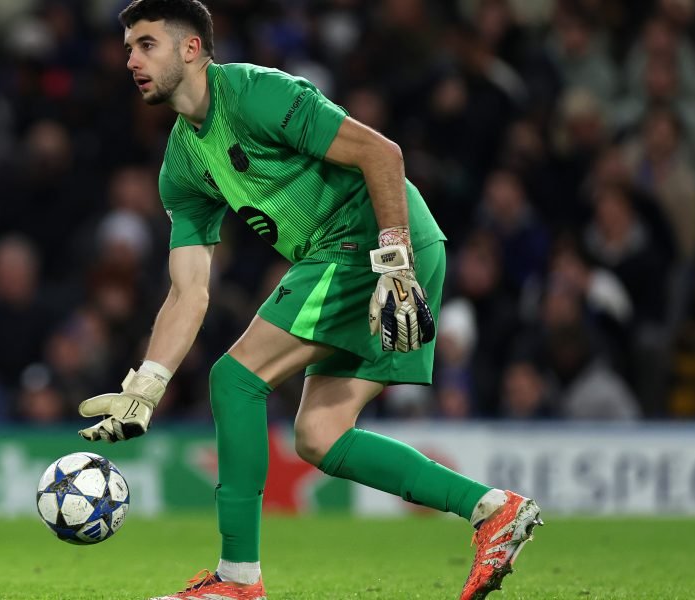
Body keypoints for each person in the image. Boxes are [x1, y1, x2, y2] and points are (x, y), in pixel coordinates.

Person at [77, 2, 543, 599]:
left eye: (146, 45)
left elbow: (382, 154)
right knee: (321, 434)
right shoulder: (182, 165)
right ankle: (494, 510)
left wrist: (394, 264)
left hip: (371, 241)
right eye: (127, 49)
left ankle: (237, 581)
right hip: (356, 253)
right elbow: (188, 290)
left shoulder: (255, 94)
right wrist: (149, 383)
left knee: (234, 380)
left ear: (191, 49)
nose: (131, 61)